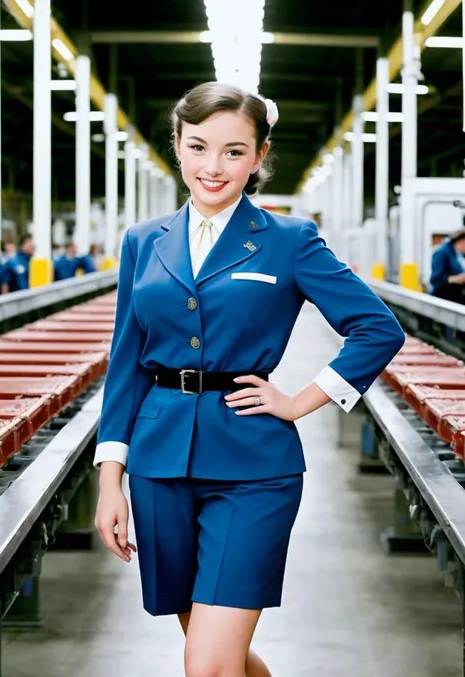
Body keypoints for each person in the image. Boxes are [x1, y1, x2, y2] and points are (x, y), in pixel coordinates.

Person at [93, 82, 405, 677]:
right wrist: (112, 480)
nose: (213, 167)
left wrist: (301, 402)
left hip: (254, 467)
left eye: (234, 151)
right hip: (159, 467)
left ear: (260, 155)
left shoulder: (289, 241)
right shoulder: (141, 242)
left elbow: (377, 329)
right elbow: (126, 364)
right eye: (199, 147)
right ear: (178, 148)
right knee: (218, 656)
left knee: (207, 666)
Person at [429, 229, 465, 303]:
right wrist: (455, 279)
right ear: (460, 242)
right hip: (443, 299)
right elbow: (435, 279)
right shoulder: (442, 253)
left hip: (456, 298)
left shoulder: (458, 255)